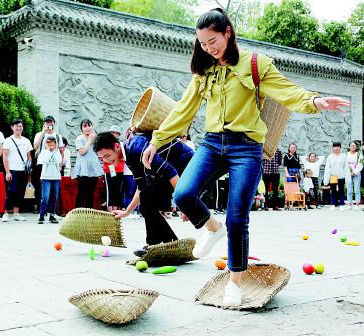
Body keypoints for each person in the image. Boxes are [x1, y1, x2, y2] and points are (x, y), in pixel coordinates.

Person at [141, 8, 350, 307]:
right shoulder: (204, 72)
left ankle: (235, 282)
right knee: (184, 193)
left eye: (213, 41)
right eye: (202, 44)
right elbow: (183, 110)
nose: (208, 48)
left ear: (228, 33)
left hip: (246, 147)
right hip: (213, 144)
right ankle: (213, 229)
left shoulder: (254, 64)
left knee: (238, 217)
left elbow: (285, 91)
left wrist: (314, 101)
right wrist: (157, 140)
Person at [94, 131, 194, 251]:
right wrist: (126, 212)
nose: (106, 161)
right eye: (101, 159)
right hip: (171, 173)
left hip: (188, 166)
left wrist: (185, 205)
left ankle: (159, 245)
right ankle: (168, 244)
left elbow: (170, 172)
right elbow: (141, 187)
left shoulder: (136, 148)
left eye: (107, 156)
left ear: (116, 146)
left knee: (147, 202)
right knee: (146, 200)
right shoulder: (128, 154)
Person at [2, 119, 33, 222]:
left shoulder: (26, 141)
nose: (18, 128)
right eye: (16, 126)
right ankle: (6, 213)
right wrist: (7, 172)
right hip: (12, 170)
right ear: (12, 127)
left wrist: (29, 172)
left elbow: (29, 157)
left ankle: (16, 213)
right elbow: (5, 157)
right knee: (11, 192)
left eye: (20, 126)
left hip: (23, 171)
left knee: (20, 192)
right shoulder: (8, 140)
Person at [33, 116, 64, 211]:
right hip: (41, 163)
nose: (49, 124)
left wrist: (60, 164)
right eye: (47, 122)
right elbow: (35, 147)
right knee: (40, 186)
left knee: (53, 187)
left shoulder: (58, 136)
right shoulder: (39, 134)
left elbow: (61, 150)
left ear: (54, 123)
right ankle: (41, 209)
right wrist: (43, 132)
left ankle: (52, 210)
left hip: (54, 164)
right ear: (44, 124)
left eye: (51, 122)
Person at [72, 119, 103, 209]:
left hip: (93, 169)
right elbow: (82, 152)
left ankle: (88, 214)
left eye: (89, 125)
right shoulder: (80, 138)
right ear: (81, 129)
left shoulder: (95, 138)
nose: (87, 128)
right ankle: (78, 214)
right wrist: (89, 141)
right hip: (83, 170)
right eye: (85, 126)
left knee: (91, 193)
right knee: (82, 193)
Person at [37, 136, 62, 224]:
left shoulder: (57, 153)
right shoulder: (43, 152)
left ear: (56, 144)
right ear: (45, 144)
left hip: (56, 177)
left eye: (53, 144)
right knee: (45, 197)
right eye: (49, 144)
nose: (51, 146)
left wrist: (54, 152)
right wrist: (48, 151)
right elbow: (45, 160)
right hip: (46, 177)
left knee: (54, 197)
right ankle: (41, 215)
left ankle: (52, 215)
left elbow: (58, 161)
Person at [323, 142, 347, 211]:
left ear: (340, 147)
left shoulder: (344, 156)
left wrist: (347, 178)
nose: (336, 148)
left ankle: (342, 204)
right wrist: (326, 180)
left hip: (341, 176)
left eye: (338, 146)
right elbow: (327, 168)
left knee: (341, 190)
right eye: (335, 146)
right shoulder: (330, 156)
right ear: (333, 148)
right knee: (333, 191)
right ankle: (333, 204)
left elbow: (346, 168)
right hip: (333, 176)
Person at [345, 141, 362, 210]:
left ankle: (357, 204)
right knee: (349, 189)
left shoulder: (359, 154)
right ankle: (350, 204)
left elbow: (360, 164)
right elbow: (345, 164)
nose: (352, 147)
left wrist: (354, 172)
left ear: (356, 147)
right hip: (348, 174)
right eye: (351, 145)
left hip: (357, 174)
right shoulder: (346, 154)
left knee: (357, 189)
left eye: (354, 146)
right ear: (349, 147)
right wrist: (348, 172)